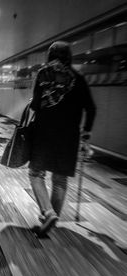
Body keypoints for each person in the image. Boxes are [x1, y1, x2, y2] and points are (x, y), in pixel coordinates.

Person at [28, 41, 96, 236]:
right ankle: (52, 221)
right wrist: (86, 134)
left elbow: (35, 105)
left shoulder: (43, 74)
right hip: (69, 137)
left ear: (51, 55)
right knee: (59, 179)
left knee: (35, 174)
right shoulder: (78, 78)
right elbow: (91, 108)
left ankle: (48, 213)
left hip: (44, 133)